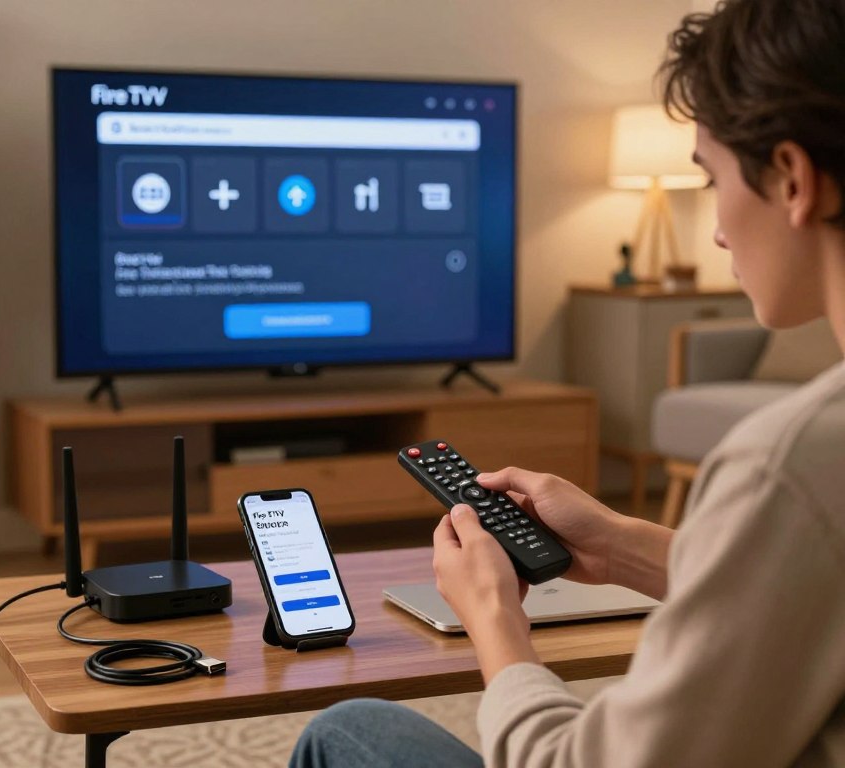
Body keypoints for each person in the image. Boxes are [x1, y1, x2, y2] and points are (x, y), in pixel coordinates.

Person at [289, 0, 845, 765]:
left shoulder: (792, 463)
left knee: (343, 730)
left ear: (791, 179)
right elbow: (800, 589)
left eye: (712, 180)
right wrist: (620, 548)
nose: (715, 229)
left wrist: (496, 624)